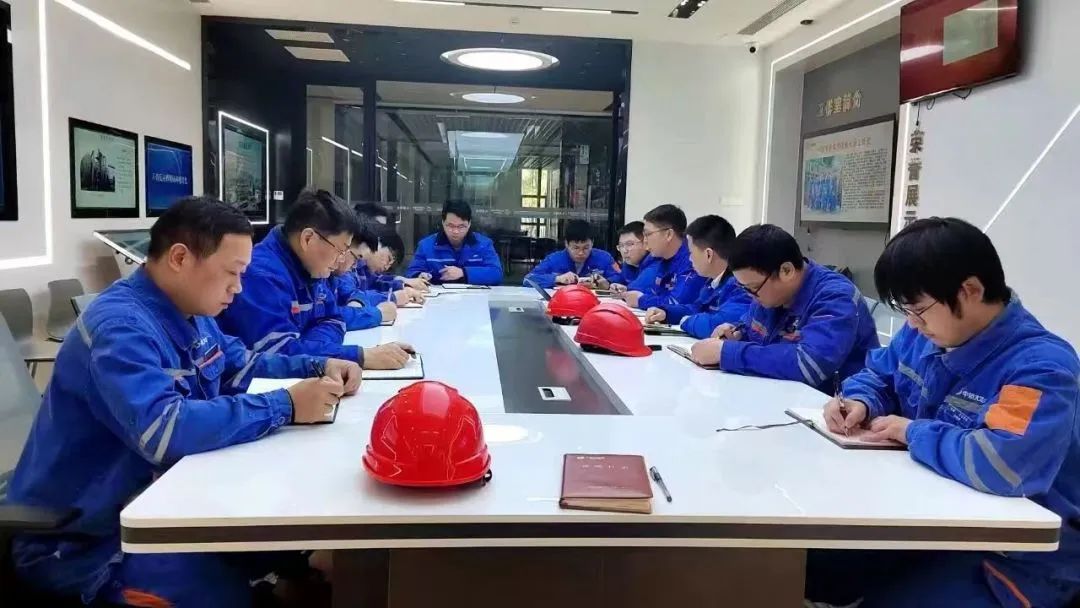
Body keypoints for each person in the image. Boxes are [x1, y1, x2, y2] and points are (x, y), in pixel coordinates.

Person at [7, 197, 361, 607]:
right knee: (228, 594)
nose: (238, 287)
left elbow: (241, 364)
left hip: (159, 501)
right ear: (180, 258)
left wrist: (319, 365)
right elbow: (165, 429)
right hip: (86, 543)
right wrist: (286, 405)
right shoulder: (120, 328)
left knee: (288, 547)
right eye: (232, 272)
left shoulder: (192, 311)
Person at [807, 218, 1080, 608]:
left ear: (970, 290)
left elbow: (1002, 464)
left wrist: (912, 432)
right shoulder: (924, 333)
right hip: (928, 517)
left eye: (919, 310)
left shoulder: (1039, 367)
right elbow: (880, 374)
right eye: (906, 311)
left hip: (1012, 555)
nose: (912, 323)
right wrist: (861, 401)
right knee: (815, 566)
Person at [218, 189, 413, 370]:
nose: (341, 260)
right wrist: (358, 356)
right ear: (308, 239)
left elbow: (334, 320)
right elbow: (278, 355)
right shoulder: (262, 275)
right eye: (340, 250)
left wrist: (312, 348)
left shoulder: (311, 267)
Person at [689, 224, 878, 391]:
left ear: (786, 271)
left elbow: (809, 365)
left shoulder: (835, 296)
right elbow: (756, 333)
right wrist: (737, 333)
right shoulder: (769, 293)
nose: (751, 296)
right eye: (744, 288)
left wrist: (727, 352)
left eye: (753, 288)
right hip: (779, 393)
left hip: (830, 407)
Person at [643, 215, 751, 338]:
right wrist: (666, 313)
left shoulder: (741, 285)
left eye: (691, 253)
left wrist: (685, 321)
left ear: (709, 255)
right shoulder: (712, 282)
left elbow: (717, 326)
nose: (690, 259)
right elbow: (696, 308)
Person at [621, 204, 706, 310]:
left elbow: (677, 303)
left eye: (648, 234)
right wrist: (631, 293)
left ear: (668, 234)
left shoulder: (692, 260)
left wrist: (641, 300)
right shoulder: (656, 257)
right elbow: (654, 292)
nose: (645, 241)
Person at [404, 199, 503, 285]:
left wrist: (463, 273)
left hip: (473, 296)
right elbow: (411, 272)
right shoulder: (426, 245)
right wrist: (419, 275)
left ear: (469, 224)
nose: (456, 231)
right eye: (451, 226)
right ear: (443, 222)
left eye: (461, 226)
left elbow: (496, 273)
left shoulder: (484, 244)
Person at [522, 219, 620, 289]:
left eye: (586, 248)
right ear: (566, 244)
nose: (581, 253)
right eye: (576, 248)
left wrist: (608, 283)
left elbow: (621, 278)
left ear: (592, 243)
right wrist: (557, 278)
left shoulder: (605, 258)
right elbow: (528, 280)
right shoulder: (554, 259)